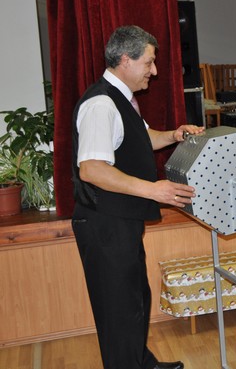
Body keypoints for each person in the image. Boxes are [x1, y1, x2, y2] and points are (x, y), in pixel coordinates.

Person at [71, 25, 204, 369]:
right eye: (148, 62)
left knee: (134, 299)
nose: (154, 71)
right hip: (105, 223)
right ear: (125, 60)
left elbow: (143, 138)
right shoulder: (101, 104)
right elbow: (92, 170)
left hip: (120, 219)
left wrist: (174, 135)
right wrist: (153, 189)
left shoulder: (120, 100)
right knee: (119, 308)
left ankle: (141, 362)